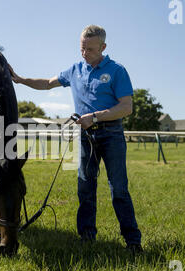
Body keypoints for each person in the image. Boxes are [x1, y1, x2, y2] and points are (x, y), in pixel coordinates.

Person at [9, 25, 143, 254]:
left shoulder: (117, 70)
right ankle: (87, 236)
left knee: (118, 189)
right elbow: (48, 83)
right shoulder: (75, 69)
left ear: (103, 47)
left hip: (111, 134)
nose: (84, 53)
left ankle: (132, 241)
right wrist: (20, 80)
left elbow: (126, 107)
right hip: (84, 136)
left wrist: (95, 117)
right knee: (85, 188)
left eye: (90, 49)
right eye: (82, 48)